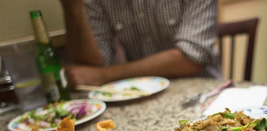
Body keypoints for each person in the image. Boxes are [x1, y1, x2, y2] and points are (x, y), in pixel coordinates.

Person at [59, 0, 222, 88]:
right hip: (140, 95)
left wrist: (105, 75)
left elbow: (192, 59)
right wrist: (73, 6)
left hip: (204, 90)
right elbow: (92, 65)